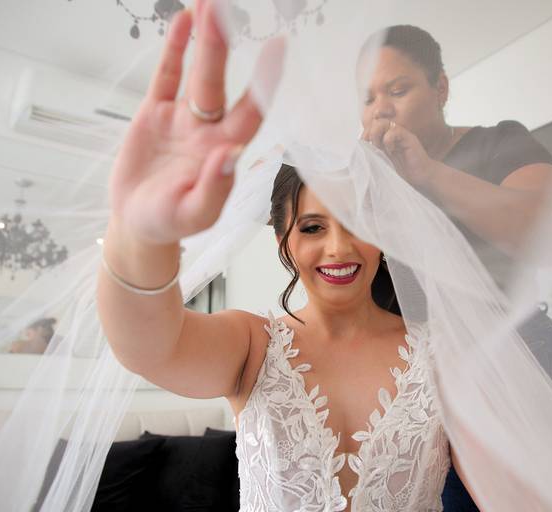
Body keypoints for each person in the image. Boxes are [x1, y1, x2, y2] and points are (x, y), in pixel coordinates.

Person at [97, 4, 452, 509]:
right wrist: (139, 233)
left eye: (358, 224)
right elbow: (147, 346)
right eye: (312, 227)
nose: (339, 248)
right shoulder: (252, 346)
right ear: (282, 237)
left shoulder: (442, 354)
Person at [358, 25, 552, 511]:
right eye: (368, 98)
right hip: (414, 382)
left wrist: (426, 173)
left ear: (440, 88)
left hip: (510, 358)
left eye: (398, 90)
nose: (381, 109)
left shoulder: (500, 142)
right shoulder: (366, 184)